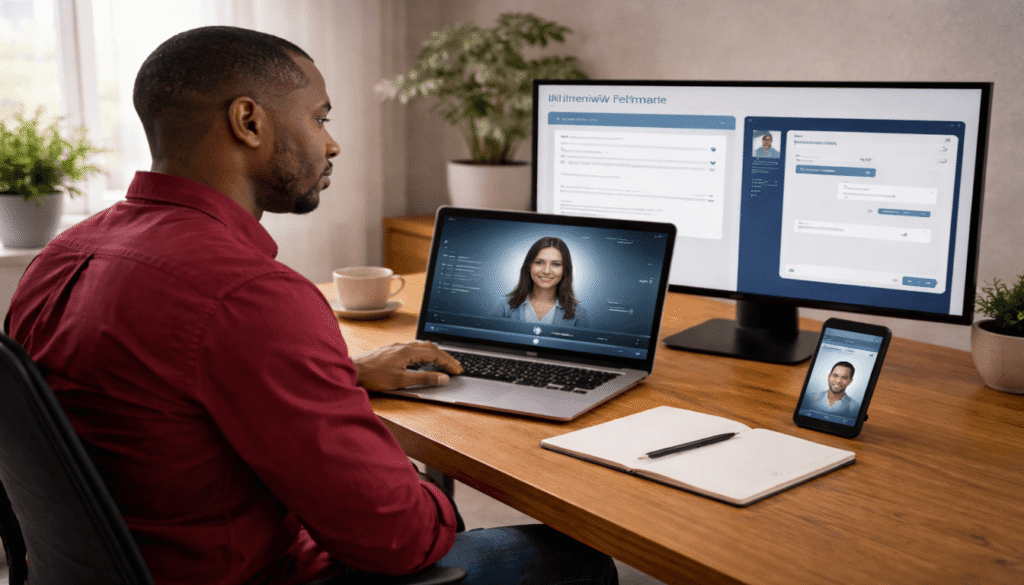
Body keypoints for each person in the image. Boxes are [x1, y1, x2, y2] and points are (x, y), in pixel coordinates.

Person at [4, 26, 616, 585]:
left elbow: (150, 391)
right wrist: (428, 492)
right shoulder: (248, 294)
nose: (333, 143)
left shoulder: (65, 253)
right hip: (250, 574)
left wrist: (343, 376)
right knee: (571, 557)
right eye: (320, 118)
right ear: (249, 121)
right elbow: (403, 541)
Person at [493, 236, 589, 327]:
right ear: (529, 266)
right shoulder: (504, 305)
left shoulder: (579, 312)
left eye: (555, 264)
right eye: (539, 262)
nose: (546, 271)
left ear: (565, 270)